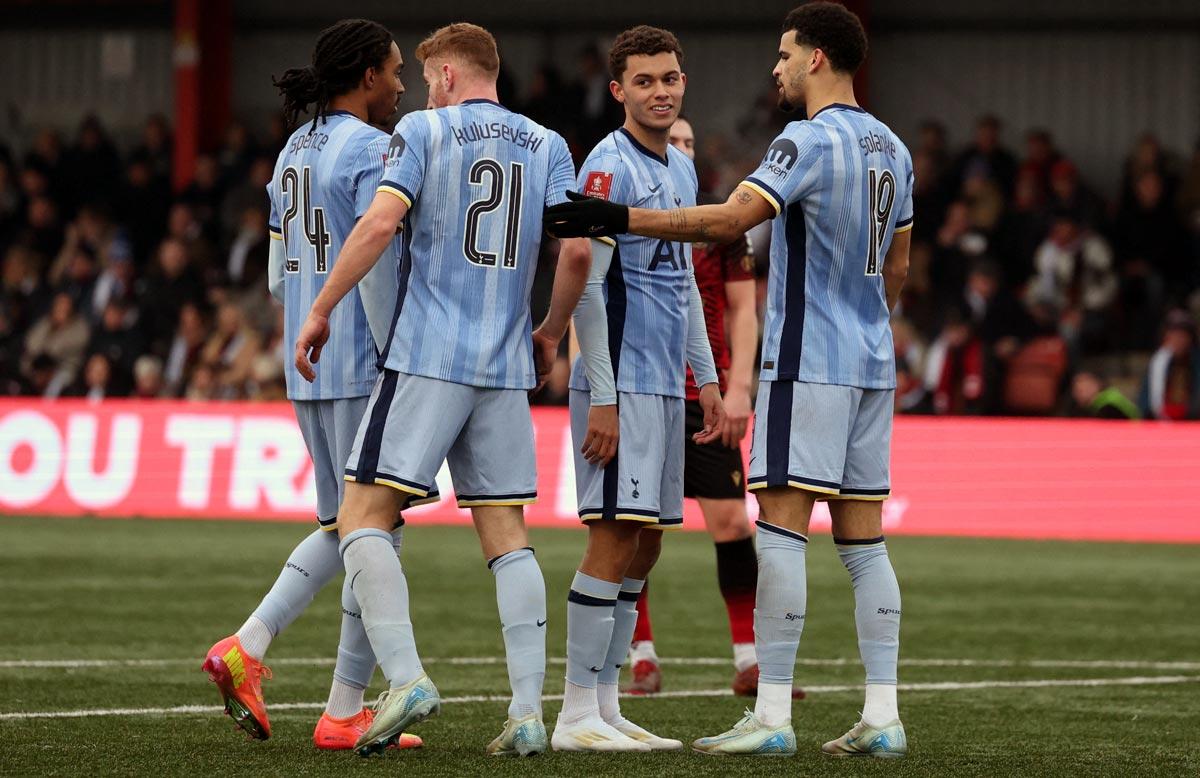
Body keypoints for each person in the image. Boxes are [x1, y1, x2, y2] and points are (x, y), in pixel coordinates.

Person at [546, 2, 913, 758]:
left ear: (815, 58)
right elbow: (899, 267)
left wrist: (623, 217)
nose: (775, 69)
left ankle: (771, 714)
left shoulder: (803, 140)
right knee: (865, 543)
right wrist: (864, 324)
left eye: (784, 55)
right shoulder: (895, 150)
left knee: (778, 530)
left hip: (808, 363)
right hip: (873, 364)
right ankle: (883, 717)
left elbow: (726, 223)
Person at [294, 22, 586, 758]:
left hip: (427, 355)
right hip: (504, 365)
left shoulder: (424, 130)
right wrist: (549, 329)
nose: (421, 88)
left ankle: (406, 677)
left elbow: (381, 221)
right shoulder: (549, 144)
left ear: (450, 75)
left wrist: (323, 306)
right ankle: (526, 715)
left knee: (361, 516)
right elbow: (577, 248)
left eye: (428, 75)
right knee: (508, 535)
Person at [201, 18, 422, 752]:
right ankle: (332, 701)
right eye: (393, 70)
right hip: (361, 356)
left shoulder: (291, 151)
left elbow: (272, 274)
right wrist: (398, 355)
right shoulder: (372, 149)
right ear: (365, 76)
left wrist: (306, 309)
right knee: (373, 529)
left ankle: (305, 686)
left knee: (346, 525)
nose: (401, 83)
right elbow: (378, 260)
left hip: (307, 359)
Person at [540, 27, 725, 754]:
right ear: (618, 91)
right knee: (614, 538)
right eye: (645, 81)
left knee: (646, 543)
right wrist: (604, 393)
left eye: (670, 78)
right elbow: (587, 284)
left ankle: (607, 706)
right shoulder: (606, 169)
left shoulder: (680, 168)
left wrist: (706, 379)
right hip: (617, 381)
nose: (662, 91)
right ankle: (575, 713)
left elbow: (681, 288)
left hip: (664, 385)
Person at [626, 116, 802, 701]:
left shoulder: (722, 226)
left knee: (730, 522)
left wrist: (741, 387)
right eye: (672, 140)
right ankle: (640, 655)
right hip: (644, 391)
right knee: (636, 528)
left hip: (708, 396)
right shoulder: (628, 217)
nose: (680, 149)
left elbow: (743, 312)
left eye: (689, 142)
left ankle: (748, 661)